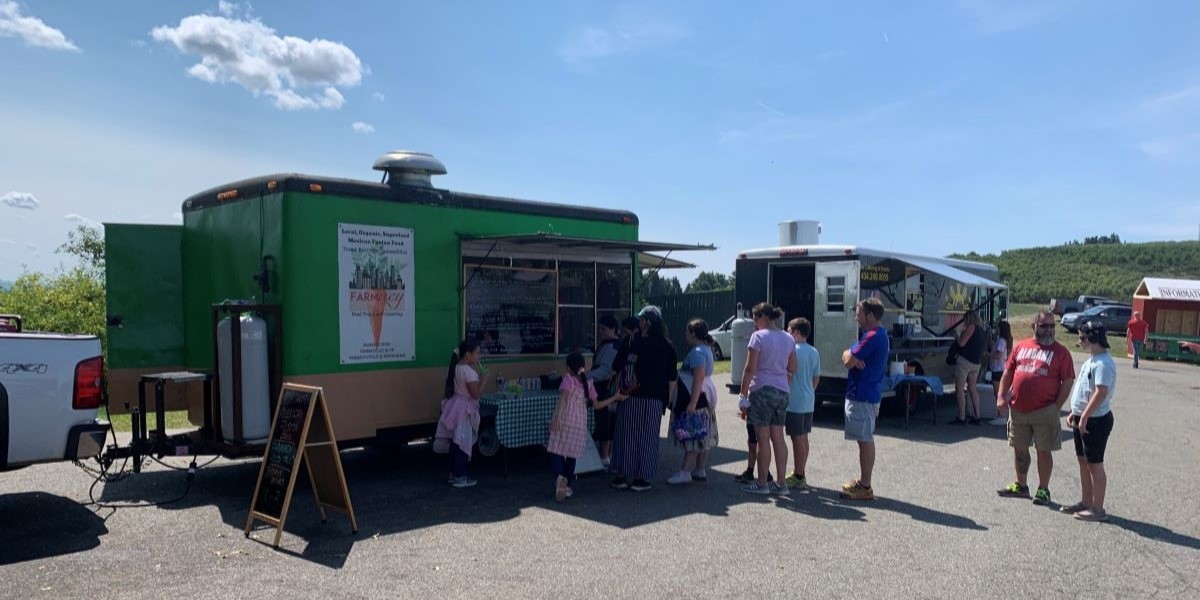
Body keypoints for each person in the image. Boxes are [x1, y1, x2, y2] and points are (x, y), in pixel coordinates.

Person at [995, 310, 1076, 506]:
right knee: (1019, 449)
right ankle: (1021, 486)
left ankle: (1043, 489)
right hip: (1018, 409)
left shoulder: (1061, 353)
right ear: (1034, 326)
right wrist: (1000, 396)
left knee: (1043, 450)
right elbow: (1008, 373)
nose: (1048, 330)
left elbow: (1067, 381)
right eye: (1044, 326)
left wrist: (1056, 407)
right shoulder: (1021, 347)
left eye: (1051, 326)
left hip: (1045, 410)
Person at [610, 305, 677, 492]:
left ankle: (621, 476)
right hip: (655, 399)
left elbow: (616, 367)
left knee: (626, 436)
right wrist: (667, 400)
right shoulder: (668, 346)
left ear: (645, 322)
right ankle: (641, 479)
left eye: (641, 319)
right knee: (647, 439)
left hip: (629, 395)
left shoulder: (631, 341)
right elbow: (672, 378)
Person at [738, 302, 797, 496]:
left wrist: (743, 395)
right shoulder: (788, 338)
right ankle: (781, 483)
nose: (754, 323)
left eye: (755, 318)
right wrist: (783, 382)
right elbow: (793, 368)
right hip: (782, 392)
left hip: (762, 390)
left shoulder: (758, 337)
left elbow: (750, 369)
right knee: (778, 438)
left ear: (763, 316)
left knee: (763, 439)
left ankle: (762, 483)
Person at [1060, 321, 1117, 521]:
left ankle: (1098, 509)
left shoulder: (1103, 363)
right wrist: (1074, 412)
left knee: (1095, 464)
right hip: (1082, 417)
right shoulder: (1092, 360)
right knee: (1083, 460)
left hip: (1095, 420)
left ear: (1093, 338)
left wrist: (1084, 416)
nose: (1079, 341)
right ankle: (1086, 501)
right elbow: (1084, 388)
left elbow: (1101, 392)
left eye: (1082, 337)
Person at [840, 298, 889, 500]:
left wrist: (849, 355)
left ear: (870, 315)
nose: (856, 317)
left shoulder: (872, 336)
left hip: (864, 395)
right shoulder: (876, 335)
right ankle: (863, 482)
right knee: (863, 438)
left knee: (865, 439)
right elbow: (848, 356)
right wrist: (849, 355)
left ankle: (865, 486)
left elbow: (848, 361)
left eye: (859, 313)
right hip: (866, 394)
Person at [666, 318, 719, 485]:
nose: (685, 335)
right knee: (703, 433)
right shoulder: (706, 349)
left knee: (693, 435)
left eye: (687, 332)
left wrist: (692, 404)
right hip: (704, 397)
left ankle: (685, 472)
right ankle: (700, 468)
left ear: (693, 334)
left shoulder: (697, 353)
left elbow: (698, 378)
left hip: (696, 398)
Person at [434, 339, 490, 488]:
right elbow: (475, 395)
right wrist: (484, 380)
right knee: (462, 443)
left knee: (455, 442)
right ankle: (460, 476)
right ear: (468, 354)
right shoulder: (469, 372)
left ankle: (454, 474)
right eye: (477, 353)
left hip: (454, 406)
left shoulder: (455, 368)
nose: (479, 356)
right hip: (465, 410)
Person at [548, 351, 598, 502]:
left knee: (555, 451)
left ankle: (559, 478)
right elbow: (596, 403)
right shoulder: (588, 383)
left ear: (568, 368)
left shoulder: (567, 380)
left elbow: (563, 400)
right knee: (571, 455)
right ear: (583, 366)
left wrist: (557, 418)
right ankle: (568, 485)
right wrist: (615, 398)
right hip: (579, 424)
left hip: (565, 420)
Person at [784, 317, 820, 491]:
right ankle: (801, 471)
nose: (788, 334)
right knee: (804, 437)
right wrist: (810, 391)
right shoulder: (814, 351)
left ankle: (799, 476)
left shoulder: (792, 351)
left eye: (789, 331)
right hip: (808, 400)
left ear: (796, 333)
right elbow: (816, 377)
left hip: (795, 402)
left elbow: (788, 375)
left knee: (796, 439)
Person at [587, 315, 621, 468]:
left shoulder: (613, 346)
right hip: (600, 386)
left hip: (605, 388)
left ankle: (605, 456)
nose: (600, 332)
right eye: (599, 329)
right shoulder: (605, 344)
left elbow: (606, 370)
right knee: (605, 421)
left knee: (605, 422)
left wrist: (586, 377)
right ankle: (607, 455)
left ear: (613, 330)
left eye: (604, 329)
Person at [950, 311, 986, 425]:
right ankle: (977, 416)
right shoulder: (982, 329)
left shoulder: (971, 327)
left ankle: (961, 417)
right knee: (972, 388)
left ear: (969, 318)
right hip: (977, 363)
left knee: (959, 388)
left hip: (965, 361)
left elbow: (961, 343)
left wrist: (956, 334)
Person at [987, 321, 1014, 426]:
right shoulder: (1002, 340)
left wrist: (986, 354)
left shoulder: (1002, 341)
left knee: (998, 393)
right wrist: (989, 339)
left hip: (998, 369)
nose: (996, 329)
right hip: (999, 369)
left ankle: (1002, 416)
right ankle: (1004, 415)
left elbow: (998, 355)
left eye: (997, 327)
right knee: (1000, 393)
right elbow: (994, 347)